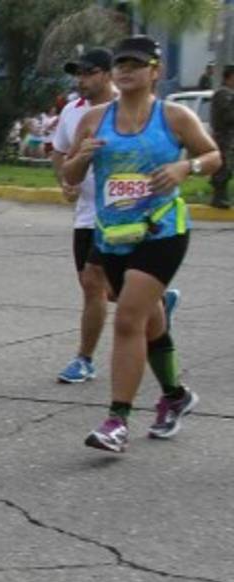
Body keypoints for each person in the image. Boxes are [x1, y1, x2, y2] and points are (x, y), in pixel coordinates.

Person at [63, 36, 219, 453]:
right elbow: (70, 179)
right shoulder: (94, 119)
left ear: (155, 71)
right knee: (147, 321)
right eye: (120, 64)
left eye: (136, 63)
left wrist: (187, 165)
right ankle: (175, 395)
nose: (126, 70)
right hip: (113, 236)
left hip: (162, 231)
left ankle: (117, 421)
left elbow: (214, 155)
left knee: (128, 320)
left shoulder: (175, 116)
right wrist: (80, 158)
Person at [52, 48, 118, 384]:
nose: (82, 80)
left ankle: (84, 359)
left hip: (123, 214)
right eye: (78, 74)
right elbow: (61, 151)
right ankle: (157, 301)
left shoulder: (129, 107)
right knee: (98, 288)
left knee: (94, 283)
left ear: (108, 74)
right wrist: (65, 182)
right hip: (87, 213)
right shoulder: (72, 113)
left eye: (89, 73)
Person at [208, 65, 234, 208]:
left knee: (227, 167)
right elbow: (228, 116)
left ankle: (222, 197)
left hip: (228, 137)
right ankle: (218, 198)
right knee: (222, 167)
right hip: (223, 137)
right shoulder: (223, 94)